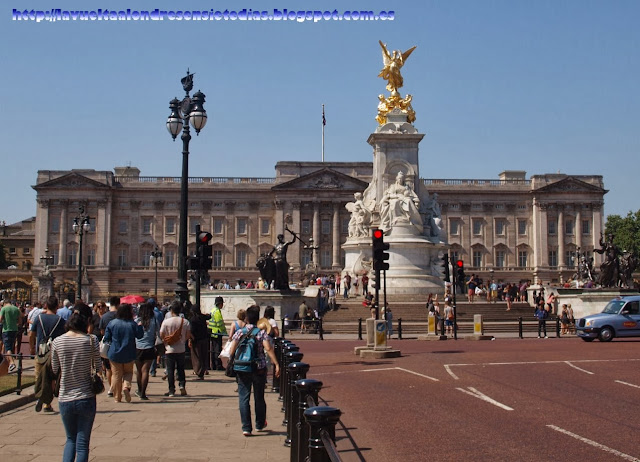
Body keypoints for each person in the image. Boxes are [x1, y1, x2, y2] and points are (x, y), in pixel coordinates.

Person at [50, 306, 101, 462]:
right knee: (83, 443)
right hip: (86, 395)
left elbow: (54, 368)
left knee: (70, 439)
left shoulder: (58, 341)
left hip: (65, 396)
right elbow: (98, 367)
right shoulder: (91, 340)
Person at [229, 305, 280, 437]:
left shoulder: (240, 332)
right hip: (259, 368)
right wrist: (276, 364)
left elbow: (231, 350)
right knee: (259, 397)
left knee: (244, 397)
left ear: (246, 318)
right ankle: (259, 423)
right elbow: (268, 348)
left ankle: (246, 427)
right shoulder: (261, 332)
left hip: (242, 367)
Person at [30, 295, 66, 412]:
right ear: (57, 306)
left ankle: (40, 396)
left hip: (40, 351)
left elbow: (31, 334)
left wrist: (31, 347)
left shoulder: (39, 318)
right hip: (54, 353)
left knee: (38, 376)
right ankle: (46, 404)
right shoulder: (60, 321)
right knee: (51, 378)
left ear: (46, 305)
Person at [103, 304, 143, 403]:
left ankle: (117, 396)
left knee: (116, 375)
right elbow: (139, 336)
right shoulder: (132, 324)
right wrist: (140, 326)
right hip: (129, 352)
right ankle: (126, 386)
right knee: (128, 372)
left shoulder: (112, 323)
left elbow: (106, 338)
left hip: (115, 352)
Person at [160, 301, 192, 397]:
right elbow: (188, 334)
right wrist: (182, 340)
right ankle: (182, 385)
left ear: (171, 310)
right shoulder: (185, 321)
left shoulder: (166, 321)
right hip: (181, 348)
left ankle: (171, 390)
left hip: (169, 349)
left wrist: (166, 341)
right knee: (181, 368)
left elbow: (161, 334)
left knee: (170, 369)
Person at [134, 302, 159, 399]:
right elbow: (158, 333)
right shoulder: (154, 320)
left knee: (138, 371)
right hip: (149, 347)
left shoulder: (137, 320)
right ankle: (143, 393)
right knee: (145, 371)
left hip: (137, 347)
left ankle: (139, 390)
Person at [99, 296, 120, 396]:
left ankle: (111, 388)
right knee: (117, 369)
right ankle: (115, 388)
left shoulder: (104, 316)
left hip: (107, 344)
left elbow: (102, 331)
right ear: (118, 304)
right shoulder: (121, 315)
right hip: (119, 344)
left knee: (108, 369)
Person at [187, 304, 210, 381]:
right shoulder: (202, 317)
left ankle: (198, 372)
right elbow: (209, 316)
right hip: (204, 338)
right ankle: (203, 370)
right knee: (203, 355)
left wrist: (190, 339)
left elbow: (192, 330)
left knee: (196, 356)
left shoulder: (193, 319)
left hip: (196, 340)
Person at [0, 300, 23, 373]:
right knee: (12, 345)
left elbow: (0, 319)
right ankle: (8, 362)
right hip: (14, 329)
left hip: (6, 329)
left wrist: (4, 321)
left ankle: (12, 363)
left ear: (4, 303)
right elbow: (20, 321)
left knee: (8, 348)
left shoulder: (4, 309)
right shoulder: (16, 309)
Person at [208, 296, 227, 371]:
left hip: (212, 332)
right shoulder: (217, 312)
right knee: (217, 349)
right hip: (217, 332)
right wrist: (224, 332)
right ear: (220, 304)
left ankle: (213, 364)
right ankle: (218, 365)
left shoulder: (213, 310)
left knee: (212, 349)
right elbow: (220, 324)